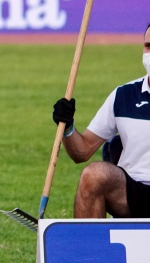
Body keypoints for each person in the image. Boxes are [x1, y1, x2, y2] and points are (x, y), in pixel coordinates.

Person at [52, 23, 150, 219]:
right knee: (94, 175)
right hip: (133, 193)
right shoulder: (123, 95)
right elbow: (82, 151)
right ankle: (88, 249)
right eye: (148, 46)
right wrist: (68, 126)